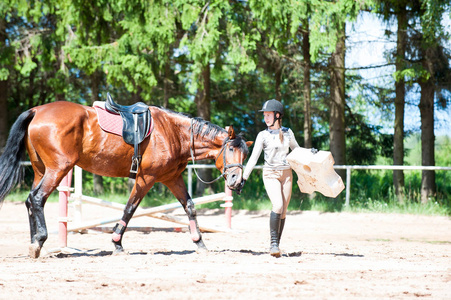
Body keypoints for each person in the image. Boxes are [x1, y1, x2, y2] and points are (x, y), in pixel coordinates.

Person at [239, 99, 308, 257]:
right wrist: (244, 178)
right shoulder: (262, 135)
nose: (266, 118)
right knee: (277, 205)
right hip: (270, 174)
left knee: (283, 211)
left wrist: (311, 152)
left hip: (286, 175)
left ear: (277, 115)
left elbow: (297, 150)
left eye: (268, 115)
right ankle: (273, 244)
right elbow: (254, 158)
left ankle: (277, 245)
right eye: (265, 115)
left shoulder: (288, 133)